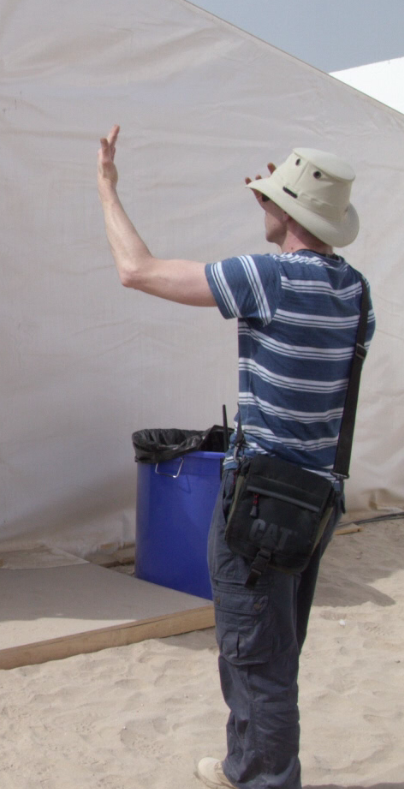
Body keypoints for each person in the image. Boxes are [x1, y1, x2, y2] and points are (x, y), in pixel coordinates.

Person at [95, 126, 373, 789]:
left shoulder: (267, 277)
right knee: (271, 644)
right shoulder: (355, 293)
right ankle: (246, 763)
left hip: (260, 496)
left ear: (288, 214)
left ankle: (266, 778)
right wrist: (281, 205)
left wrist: (106, 187)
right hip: (315, 497)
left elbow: (137, 271)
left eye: (272, 200)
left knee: (256, 656)